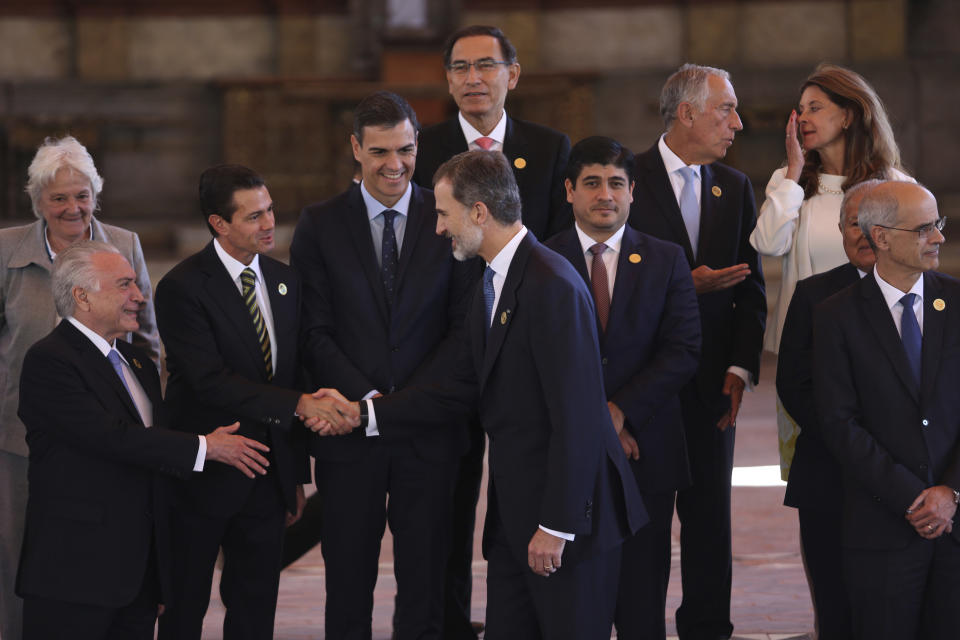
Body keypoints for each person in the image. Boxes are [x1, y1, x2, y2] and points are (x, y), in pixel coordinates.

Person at [312, 150, 647, 640]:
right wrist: (364, 415)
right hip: (516, 522)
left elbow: (577, 418)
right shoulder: (493, 281)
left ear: (479, 212)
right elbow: (459, 388)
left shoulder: (550, 285)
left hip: (568, 525)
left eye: (444, 214)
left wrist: (557, 525)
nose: (439, 228)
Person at [289, 91, 475, 639]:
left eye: (406, 149)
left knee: (426, 581)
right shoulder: (319, 224)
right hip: (348, 432)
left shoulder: (447, 216)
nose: (395, 164)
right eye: (380, 152)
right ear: (355, 148)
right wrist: (366, 401)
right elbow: (312, 331)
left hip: (429, 434)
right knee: (348, 580)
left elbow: (462, 328)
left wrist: (402, 407)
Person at [16, 241, 271, 640]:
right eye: (123, 285)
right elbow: (109, 438)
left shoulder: (139, 362)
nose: (139, 296)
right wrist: (206, 447)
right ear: (81, 296)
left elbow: (155, 467)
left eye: (136, 284)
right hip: (75, 578)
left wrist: (161, 579)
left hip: (137, 581)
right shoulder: (51, 360)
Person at [412, 26, 574, 636]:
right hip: (445, 354)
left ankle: (522, 615)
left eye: (486, 65)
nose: (472, 78)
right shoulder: (420, 151)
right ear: (448, 78)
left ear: (514, 73)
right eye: (460, 67)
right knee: (447, 510)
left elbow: (556, 253)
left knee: (519, 493)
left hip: (523, 351)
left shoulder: (550, 147)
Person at [154, 165, 357, 640]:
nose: (269, 224)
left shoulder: (286, 281)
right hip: (203, 478)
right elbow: (209, 381)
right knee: (185, 606)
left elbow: (294, 372)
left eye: (270, 211)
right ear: (218, 224)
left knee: (256, 605)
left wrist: (294, 478)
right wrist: (301, 404)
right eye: (253, 217)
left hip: (267, 481)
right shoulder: (182, 288)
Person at [0, 135, 160, 640]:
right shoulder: (5, 250)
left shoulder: (124, 244)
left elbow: (148, 338)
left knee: (103, 560)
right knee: (19, 557)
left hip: (110, 440)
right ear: (38, 202)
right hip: (20, 442)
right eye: (59, 197)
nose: (74, 207)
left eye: (83, 194)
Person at [627, 63, 767, 640]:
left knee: (711, 524)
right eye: (724, 109)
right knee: (648, 526)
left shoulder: (733, 187)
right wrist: (687, 281)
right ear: (686, 114)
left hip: (714, 388)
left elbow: (752, 287)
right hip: (644, 389)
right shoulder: (623, 178)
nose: (737, 122)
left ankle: (709, 628)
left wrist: (740, 368)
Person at [544, 136, 701, 639]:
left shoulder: (666, 259)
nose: (604, 195)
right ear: (569, 190)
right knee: (576, 605)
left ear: (632, 191)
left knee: (641, 603)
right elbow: (536, 365)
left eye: (616, 183)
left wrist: (620, 412)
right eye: (591, 183)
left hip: (645, 454)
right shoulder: (542, 260)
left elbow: (683, 350)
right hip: (564, 459)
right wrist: (597, 423)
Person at [748, 63, 912, 479]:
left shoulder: (891, 185)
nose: (802, 118)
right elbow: (767, 243)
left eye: (815, 108)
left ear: (849, 114)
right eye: (799, 109)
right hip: (804, 355)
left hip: (872, 352)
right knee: (814, 482)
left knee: (872, 472)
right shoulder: (790, 183)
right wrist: (792, 170)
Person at [813, 181, 959, 639]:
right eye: (923, 229)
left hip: (956, 524)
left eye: (938, 225)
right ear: (880, 237)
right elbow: (839, 422)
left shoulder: (956, 302)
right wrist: (913, 498)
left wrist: (950, 492)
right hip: (882, 527)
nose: (937, 238)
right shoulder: (835, 316)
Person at [777, 179, 879, 639]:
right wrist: (852, 445)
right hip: (830, 473)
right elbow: (793, 384)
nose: (862, 234)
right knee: (835, 608)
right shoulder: (814, 295)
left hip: (912, 480)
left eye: (874, 223)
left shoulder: (938, 295)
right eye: (852, 223)